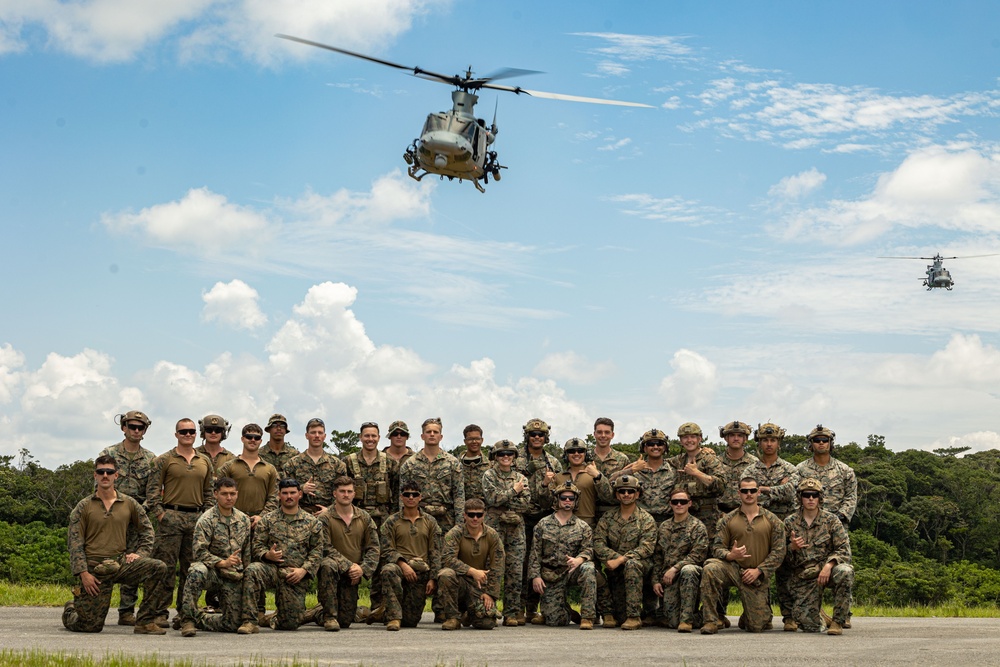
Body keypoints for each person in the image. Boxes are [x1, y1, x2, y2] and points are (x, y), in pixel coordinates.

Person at [63, 455, 168, 635]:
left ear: (116, 476)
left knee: (158, 567)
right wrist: (83, 573)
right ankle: (70, 610)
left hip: (120, 563)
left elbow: (147, 531)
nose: (105, 475)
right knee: (90, 626)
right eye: (101, 472)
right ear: (95, 475)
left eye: (109, 472)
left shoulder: (128, 503)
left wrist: (140, 553)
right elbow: (74, 542)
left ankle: (144, 622)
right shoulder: (84, 506)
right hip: (94, 568)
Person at [146, 418, 214, 627]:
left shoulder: (204, 461)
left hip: (196, 519)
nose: (188, 435)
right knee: (164, 567)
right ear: (176, 434)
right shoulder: (164, 459)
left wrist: (206, 516)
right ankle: (159, 612)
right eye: (183, 431)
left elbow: (209, 491)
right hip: (171, 516)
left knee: (191, 568)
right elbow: (153, 490)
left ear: (196, 434)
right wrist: (160, 514)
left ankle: (186, 612)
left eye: (192, 431)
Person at [700, 477, 786, 634]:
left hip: (756, 574)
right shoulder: (727, 519)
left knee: (756, 626)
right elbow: (717, 548)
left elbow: (779, 552)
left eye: (752, 490)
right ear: (739, 493)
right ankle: (710, 620)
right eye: (745, 491)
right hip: (732, 568)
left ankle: (751, 615)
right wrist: (730, 555)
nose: (749, 494)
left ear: (758, 492)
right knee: (710, 568)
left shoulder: (773, 520)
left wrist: (759, 570)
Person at [238, 478, 324, 633]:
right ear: (279, 495)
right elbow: (256, 546)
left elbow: (317, 552)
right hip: (271, 569)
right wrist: (267, 555)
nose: (289, 496)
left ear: (300, 494)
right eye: (285, 493)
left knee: (290, 624)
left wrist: (303, 571)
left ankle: (272, 618)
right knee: (252, 570)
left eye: (292, 493)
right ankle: (249, 621)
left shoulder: (312, 522)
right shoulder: (267, 520)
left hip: (294, 574)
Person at [98, 410, 156, 626]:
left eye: (140, 427)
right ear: (124, 428)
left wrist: (140, 511)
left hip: (137, 519)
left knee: (133, 563)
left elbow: (154, 491)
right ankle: (97, 605)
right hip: (110, 518)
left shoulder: (151, 459)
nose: (136, 431)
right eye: (132, 426)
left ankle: (126, 611)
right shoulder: (109, 453)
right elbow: (100, 485)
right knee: (104, 561)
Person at [178, 477, 251, 636]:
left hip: (232, 575)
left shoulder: (244, 520)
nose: (229, 498)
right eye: (224, 494)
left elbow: (247, 552)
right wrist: (221, 562)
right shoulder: (206, 519)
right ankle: (188, 620)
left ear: (237, 494)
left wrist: (243, 573)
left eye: (232, 494)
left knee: (232, 624)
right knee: (196, 571)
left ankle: (198, 618)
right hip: (212, 572)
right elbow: (199, 551)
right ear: (216, 494)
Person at [783, 478, 854, 635]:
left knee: (845, 571)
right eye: (806, 495)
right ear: (800, 497)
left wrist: (829, 566)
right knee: (810, 626)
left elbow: (844, 550)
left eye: (814, 495)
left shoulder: (831, 521)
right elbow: (781, 558)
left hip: (826, 571)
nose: (810, 499)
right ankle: (820, 617)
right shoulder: (790, 522)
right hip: (804, 576)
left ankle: (837, 621)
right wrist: (792, 548)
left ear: (820, 498)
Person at [342, 421, 398, 613]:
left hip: (382, 520)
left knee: (381, 560)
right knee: (353, 558)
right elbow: (342, 489)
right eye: (366, 436)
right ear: (360, 437)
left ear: (379, 438)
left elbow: (397, 493)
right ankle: (349, 606)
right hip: (355, 520)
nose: (370, 439)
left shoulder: (389, 462)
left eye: (374, 436)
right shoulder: (348, 462)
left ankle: (378, 607)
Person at [527, 481, 597, 629]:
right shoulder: (543, 524)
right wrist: (536, 576)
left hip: (572, 571)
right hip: (551, 574)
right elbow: (535, 553)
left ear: (575, 501)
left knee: (589, 568)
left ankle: (587, 617)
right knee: (554, 621)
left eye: (571, 498)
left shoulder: (583, 526)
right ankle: (566, 611)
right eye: (563, 497)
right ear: (557, 500)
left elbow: (589, 549)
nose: (567, 501)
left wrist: (579, 559)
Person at [315, 476, 380, 631]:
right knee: (327, 564)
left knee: (345, 621)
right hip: (333, 571)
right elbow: (324, 547)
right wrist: (349, 566)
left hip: (353, 575)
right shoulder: (325, 518)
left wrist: (362, 569)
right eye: (342, 491)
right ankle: (329, 616)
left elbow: (374, 547)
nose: (346, 494)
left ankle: (314, 613)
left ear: (354, 494)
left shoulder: (364, 517)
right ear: (334, 494)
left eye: (349, 491)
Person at [515, 418, 563, 625]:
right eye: (533, 434)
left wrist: (545, 485)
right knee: (521, 564)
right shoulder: (514, 458)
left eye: (541, 435)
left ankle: (535, 609)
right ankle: (517, 608)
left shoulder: (553, 462)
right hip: (521, 517)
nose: (537, 437)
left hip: (544, 519)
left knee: (541, 564)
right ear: (527, 436)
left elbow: (557, 495)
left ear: (546, 437)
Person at [593, 474, 656, 630]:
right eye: (622, 491)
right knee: (619, 617)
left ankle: (634, 617)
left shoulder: (646, 519)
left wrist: (622, 560)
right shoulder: (607, 518)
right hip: (615, 569)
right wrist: (614, 558)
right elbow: (598, 543)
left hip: (640, 567)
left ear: (637, 494)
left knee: (633, 564)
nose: (626, 494)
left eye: (630, 491)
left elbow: (647, 547)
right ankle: (626, 614)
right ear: (617, 495)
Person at [377, 482, 442, 631]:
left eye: (415, 494)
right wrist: (403, 565)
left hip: (421, 572)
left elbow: (435, 551)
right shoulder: (391, 522)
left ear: (420, 497)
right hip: (400, 569)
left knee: (410, 621)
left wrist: (433, 578)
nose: (410, 497)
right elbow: (386, 550)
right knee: (388, 570)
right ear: (401, 497)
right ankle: (393, 617)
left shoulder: (430, 522)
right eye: (407, 494)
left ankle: (383, 612)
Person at [481, 439, 532, 627]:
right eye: (501, 454)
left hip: (516, 529)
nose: (505, 457)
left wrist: (505, 498)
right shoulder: (489, 475)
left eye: (509, 454)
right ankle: (489, 609)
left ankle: (511, 612)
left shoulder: (521, 478)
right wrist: (513, 491)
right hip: (494, 527)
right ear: (495, 457)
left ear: (514, 457)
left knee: (515, 571)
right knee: (493, 569)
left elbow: (525, 504)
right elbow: (491, 498)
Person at [438, 499, 505, 630]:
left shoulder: (492, 535)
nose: (475, 518)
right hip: (459, 583)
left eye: (479, 515)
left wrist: (491, 594)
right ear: (464, 515)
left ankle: (470, 614)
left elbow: (498, 565)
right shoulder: (455, 533)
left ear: (484, 515)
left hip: (479, 586)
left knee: (487, 624)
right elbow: (447, 558)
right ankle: (453, 618)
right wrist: (471, 571)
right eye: (471, 515)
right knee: (446, 574)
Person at [652, 488, 708, 632]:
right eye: (675, 502)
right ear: (670, 504)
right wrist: (656, 580)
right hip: (669, 579)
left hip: (691, 577)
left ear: (689, 503)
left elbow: (697, 555)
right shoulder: (664, 527)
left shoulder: (697, 527)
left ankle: (689, 620)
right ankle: (699, 617)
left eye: (682, 502)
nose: (679, 505)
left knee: (688, 570)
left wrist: (675, 568)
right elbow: (658, 556)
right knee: (672, 621)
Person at [398, 418, 464, 531]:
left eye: (435, 432)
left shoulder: (452, 463)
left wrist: (459, 525)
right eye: (428, 432)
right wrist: (403, 521)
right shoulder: (410, 464)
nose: (432, 435)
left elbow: (459, 495)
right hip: (418, 518)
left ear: (441, 436)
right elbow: (402, 495)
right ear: (422, 436)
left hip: (447, 519)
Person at [668, 422, 724, 539]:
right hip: (684, 515)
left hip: (708, 518)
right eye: (685, 437)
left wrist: (696, 473)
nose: (689, 440)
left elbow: (720, 486)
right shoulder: (677, 461)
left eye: (693, 437)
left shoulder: (710, 460)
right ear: (680, 441)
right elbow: (657, 462)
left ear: (700, 438)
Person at [217, 424, 279, 527]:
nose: (253, 440)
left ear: (261, 441)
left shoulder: (270, 469)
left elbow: (274, 497)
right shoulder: (228, 467)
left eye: (257, 437)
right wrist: (237, 515)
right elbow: (220, 494)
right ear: (242, 439)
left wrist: (262, 516)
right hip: (233, 522)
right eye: (249, 437)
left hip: (262, 523)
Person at [796, 425, 857, 528]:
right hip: (806, 525)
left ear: (830, 443)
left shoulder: (845, 470)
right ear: (811, 443)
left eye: (824, 440)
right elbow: (795, 497)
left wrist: (840, 516)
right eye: (817, 440)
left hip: (836, 526)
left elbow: (851, 497)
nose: (821, 443)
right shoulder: (799, 470)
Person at [284, 418, 348, 515]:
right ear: (307, 435)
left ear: (324, 436)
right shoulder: (293, 464)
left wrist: (330, 510)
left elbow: (344, 493)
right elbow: (283, 491)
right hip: (299, 517)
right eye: (313, 432)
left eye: (320, 433)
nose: (317, 436)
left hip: (329, 516)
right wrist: (301, 489)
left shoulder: (337, 465)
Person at [544, 438, 613, 529]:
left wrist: (598, 476)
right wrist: (544, 485)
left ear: (586, 454)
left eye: (580, 451)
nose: (576, 454)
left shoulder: (594, 475)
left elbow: (608, 497)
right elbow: (545, 504)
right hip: (561, 526)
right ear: (566, 455)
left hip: (587, 526)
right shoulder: (558, 477)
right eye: (572, 451)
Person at [614, 429, 677, 524]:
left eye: (659, 443)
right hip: (640, 522)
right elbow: (609, 481)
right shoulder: (635, 470)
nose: (655, 447)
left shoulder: (674, 470)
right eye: (651, 444)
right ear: (644, 448)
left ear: (665, 447)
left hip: (667, 522)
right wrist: (631, 470)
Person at [749, 422, 800, 521]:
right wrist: (779, 490)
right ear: (759, 443)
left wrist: (764, 489)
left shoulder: (789, 469)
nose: (769, 444)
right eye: (765, 440)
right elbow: (747, 496)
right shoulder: (750, 471)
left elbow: (791, 494)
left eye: (773, 440)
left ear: (778, 443)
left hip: (784, 522)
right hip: (758, 523)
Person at [716, 421, 760, 516]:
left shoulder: (755, 463)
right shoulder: (715, 462)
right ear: (726, 438)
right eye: (732, 435)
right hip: (719, 514)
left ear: (746, 439)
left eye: (740, 435)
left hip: (746, 513)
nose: (736, 439)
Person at [591, 418, 630, 522]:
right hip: (589, 512)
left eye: (607, 432)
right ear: (594, 434)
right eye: (599, 432)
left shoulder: (622, 459)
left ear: (612, 435)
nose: (603, 435)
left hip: (615, 515)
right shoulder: (585, 459)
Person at [458, 424, 491, 502]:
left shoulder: (491, 465)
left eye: (477, 438)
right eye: (470, 439)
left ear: (482, 440)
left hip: (484, 510)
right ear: (465, 441)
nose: (474, 442)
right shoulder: (456, 465)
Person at [260, 413, 298, 477]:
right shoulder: (259, 454)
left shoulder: (295, 455)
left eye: (282, 426)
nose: (279, 428)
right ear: (269, 429)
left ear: (285, 430)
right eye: (274, 425)